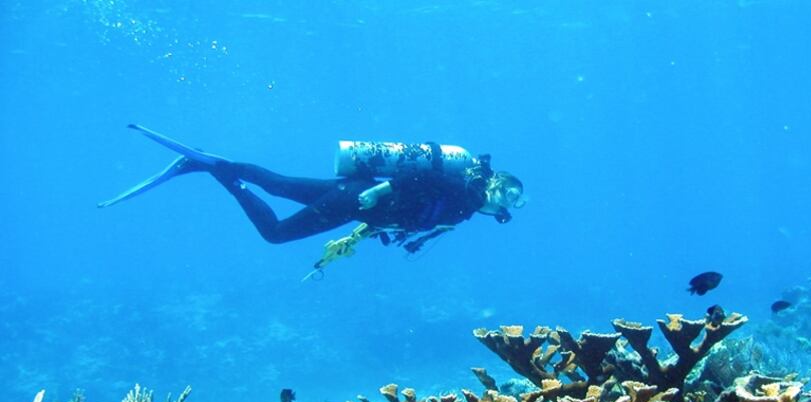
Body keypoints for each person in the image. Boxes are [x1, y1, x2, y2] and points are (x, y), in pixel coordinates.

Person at [99, 125, 525, 273]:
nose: (506, 205)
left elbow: (415, 211)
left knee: (281, 185)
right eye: (508, 194)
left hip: (357, 197)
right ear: (494, 184)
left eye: (513, 203)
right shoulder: (462, 192)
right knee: (276, 233)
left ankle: (216, 164)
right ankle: (225, 177)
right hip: (360, 199)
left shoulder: (465, 210)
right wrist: (382, 192)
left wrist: (373, 227)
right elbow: (419, 176)